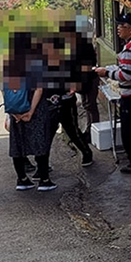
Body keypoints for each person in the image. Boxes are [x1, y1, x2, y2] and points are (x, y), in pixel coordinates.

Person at [94, 12, 131, 174]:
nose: (118, 29)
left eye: (122, 26)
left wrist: (105, 73)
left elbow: (125, 76)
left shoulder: (129, 49)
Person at [2, 31, 56, 191]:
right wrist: (31, 112)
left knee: (18, 145)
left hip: (16, 110)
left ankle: (22, 179)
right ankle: (44, 180)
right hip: (36, 109)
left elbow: (4, 91)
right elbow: (39, 89)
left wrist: (15, 113)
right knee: (40, 142)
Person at [41, 33, 95, 169]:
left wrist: (75, 85)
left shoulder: (69, 62)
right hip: (49, 104)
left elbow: (81, 75)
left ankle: (86, 152)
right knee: (46, 135)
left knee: (73, 131)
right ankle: (42, 166)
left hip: (66, 103)